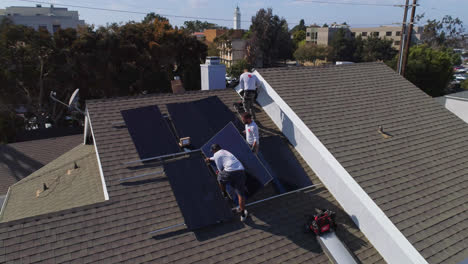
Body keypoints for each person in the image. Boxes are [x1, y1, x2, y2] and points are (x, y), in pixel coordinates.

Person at [205, 144, 248, 222]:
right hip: (241, 171)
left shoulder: (216, 154)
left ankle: (224, 193)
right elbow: (216, 158)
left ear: (214, 150)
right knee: (240, 194)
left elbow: (220, 168)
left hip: (230, 171)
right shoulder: (225, 151)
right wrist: (210, 159)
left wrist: (220, 172)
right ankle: (243, 214)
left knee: (220, 178)